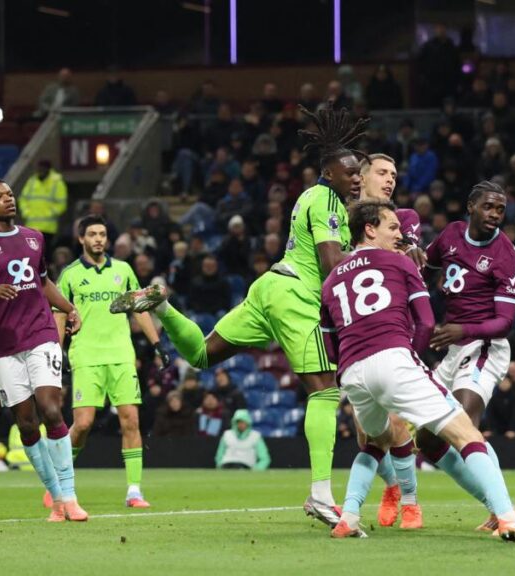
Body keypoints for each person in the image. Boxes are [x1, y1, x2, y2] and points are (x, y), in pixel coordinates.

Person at [110, 106, 367, 528]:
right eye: (350, 172)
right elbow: (331, 263)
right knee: (324, 391)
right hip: (295, 296)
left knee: (201, 355)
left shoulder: (310, 196)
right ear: (329, 172)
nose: (356, 177)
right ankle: (321, 495)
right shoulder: (328, 203)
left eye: (359, 171)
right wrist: (371, 261)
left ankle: (162, 304)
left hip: (268, 287)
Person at [320, 199, 515, 541]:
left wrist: (350, 369)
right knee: (466, 432)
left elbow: (330, 344)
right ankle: (508, 517)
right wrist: (410, 360)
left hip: (352, 374)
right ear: (369, 229)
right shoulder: (398, 263)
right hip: (393, 360)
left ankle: (350, 517)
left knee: (375, 442)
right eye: (392, 228)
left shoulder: (331, 280)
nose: (400, 236)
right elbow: (427, 321)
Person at [0, 178, 87, 522]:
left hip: (40, 333)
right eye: (0, 197)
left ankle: (71, 496)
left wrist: (69, 308)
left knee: (50, 408)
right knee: (27, 425)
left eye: (10, 194)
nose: (9, 199)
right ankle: (57, 500)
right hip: (4, 345)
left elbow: (42, 281)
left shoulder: (34, 237)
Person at [416, 181, 515, 533]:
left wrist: (462, 331)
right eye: (488, 207)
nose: (495, 214)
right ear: (470, 206)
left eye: (500, 209)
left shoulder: (507, 258)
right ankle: (497, 506)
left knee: (463, 420)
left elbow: (505, 323)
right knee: (428, 440)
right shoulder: (451, 235)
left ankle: (505, 510)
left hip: (483, 346)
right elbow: (424, 264)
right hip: (451, 347)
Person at [52, 215, 170, 509]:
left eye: (102, 234)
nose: (98, 239)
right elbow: (60, 315)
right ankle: (59, 482)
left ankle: (134, 491)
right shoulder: (69, 275)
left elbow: (139, 308)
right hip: (87, 355)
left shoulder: (124, 269)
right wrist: (56, 352)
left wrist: (156, 343)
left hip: (120, 355)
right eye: (92, 234)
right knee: (82, 424)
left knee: (130, 419)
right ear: (81, 239)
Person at [353, 152, 424, 528]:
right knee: (366, 431)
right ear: (361, 178)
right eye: (382, 172)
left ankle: (411, 501)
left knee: (395, 420)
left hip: (395, 328)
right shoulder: (347, 225)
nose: (390, 179)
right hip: (356, 335)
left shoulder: (404, 220)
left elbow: (411, 250)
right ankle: (393, 485)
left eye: (394, 174)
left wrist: (411, 249)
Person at [19, 160, 67, 250]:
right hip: (31, 226)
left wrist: (50, 213)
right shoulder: (31, 181)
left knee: (45, 253)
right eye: (39, 168)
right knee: (31, 253)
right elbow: (23, 199)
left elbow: (61, 204)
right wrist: (26, 211)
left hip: (48, 227)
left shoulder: (57, 182)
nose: (40, 170)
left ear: (48, 169)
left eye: (42, 168)